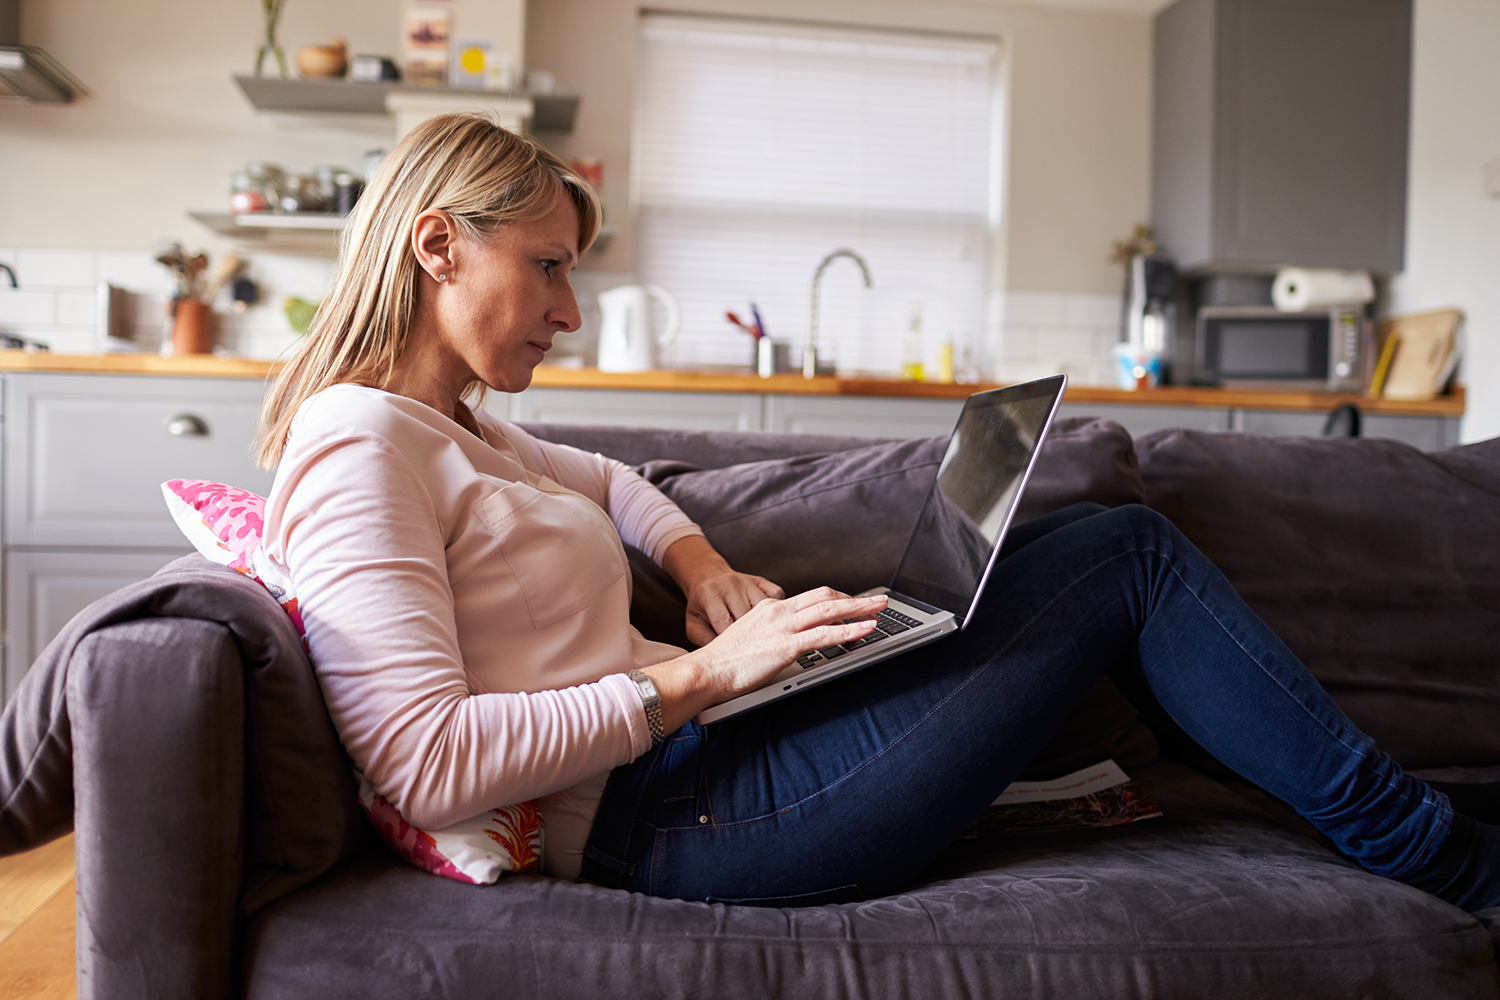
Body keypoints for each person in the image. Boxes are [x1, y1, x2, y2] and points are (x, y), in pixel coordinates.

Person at [257, 113, 1498, 910]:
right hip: (682, 815)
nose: (569, 310)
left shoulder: (461, 427)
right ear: (435, 248)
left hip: (712, 752)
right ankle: (1449, 857)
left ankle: (1424, 828)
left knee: (1093, 551)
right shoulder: (359, 445)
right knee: (1130, 557)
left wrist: (699, 573)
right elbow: (423, 765)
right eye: (548, 267)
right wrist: (696, 681)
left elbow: (616, 482)